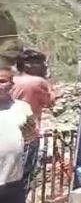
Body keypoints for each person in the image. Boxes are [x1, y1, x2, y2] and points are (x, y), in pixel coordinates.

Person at [0, 66, 35, 203]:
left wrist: (30, 133)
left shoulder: (22, 108)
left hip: (13, 181)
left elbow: (30, 134)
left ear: (11, 85)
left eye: (2, 81)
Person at [11, 49, 54, 193]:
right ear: (28, 65)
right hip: (28, 136)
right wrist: (49, 85)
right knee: (24, 176)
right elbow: (50, 101)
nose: (44, 66)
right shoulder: (38, 82)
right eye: (40, 63)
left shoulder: (11, 80)